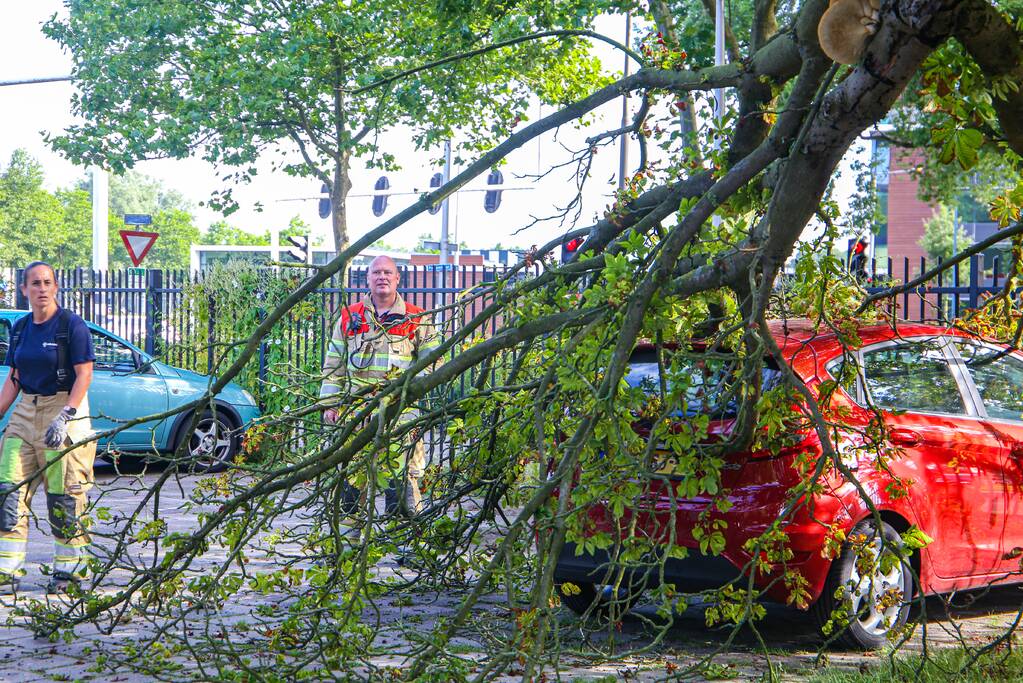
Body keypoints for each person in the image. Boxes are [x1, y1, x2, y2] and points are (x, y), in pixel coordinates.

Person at [0, 261, 96, 593]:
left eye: (47, 282)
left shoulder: (71, 325)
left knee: (63, 497)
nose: (41, 288)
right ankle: (7, 571)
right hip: (26, 411)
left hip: (63, 408)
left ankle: (70, 573)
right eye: (35, 283)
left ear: (55, 287)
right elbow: (15, 377)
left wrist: (66, 415)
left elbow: (84, 374)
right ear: (24, 289)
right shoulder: (21, 328)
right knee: (8, 492)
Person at [320, 255, 439, 519]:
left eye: (387, 272)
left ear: (397, 278)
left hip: (400, 421)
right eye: (376, 273)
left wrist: (409, 395)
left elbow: (433, 363)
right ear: (368, 278)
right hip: (356, 419)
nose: (382, 277)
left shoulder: (417, 318)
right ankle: (346, 543)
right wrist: (330, 405)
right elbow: (334, 364)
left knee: (402, 490)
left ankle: (402, 541)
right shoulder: (350, 316)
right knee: (350, 491)